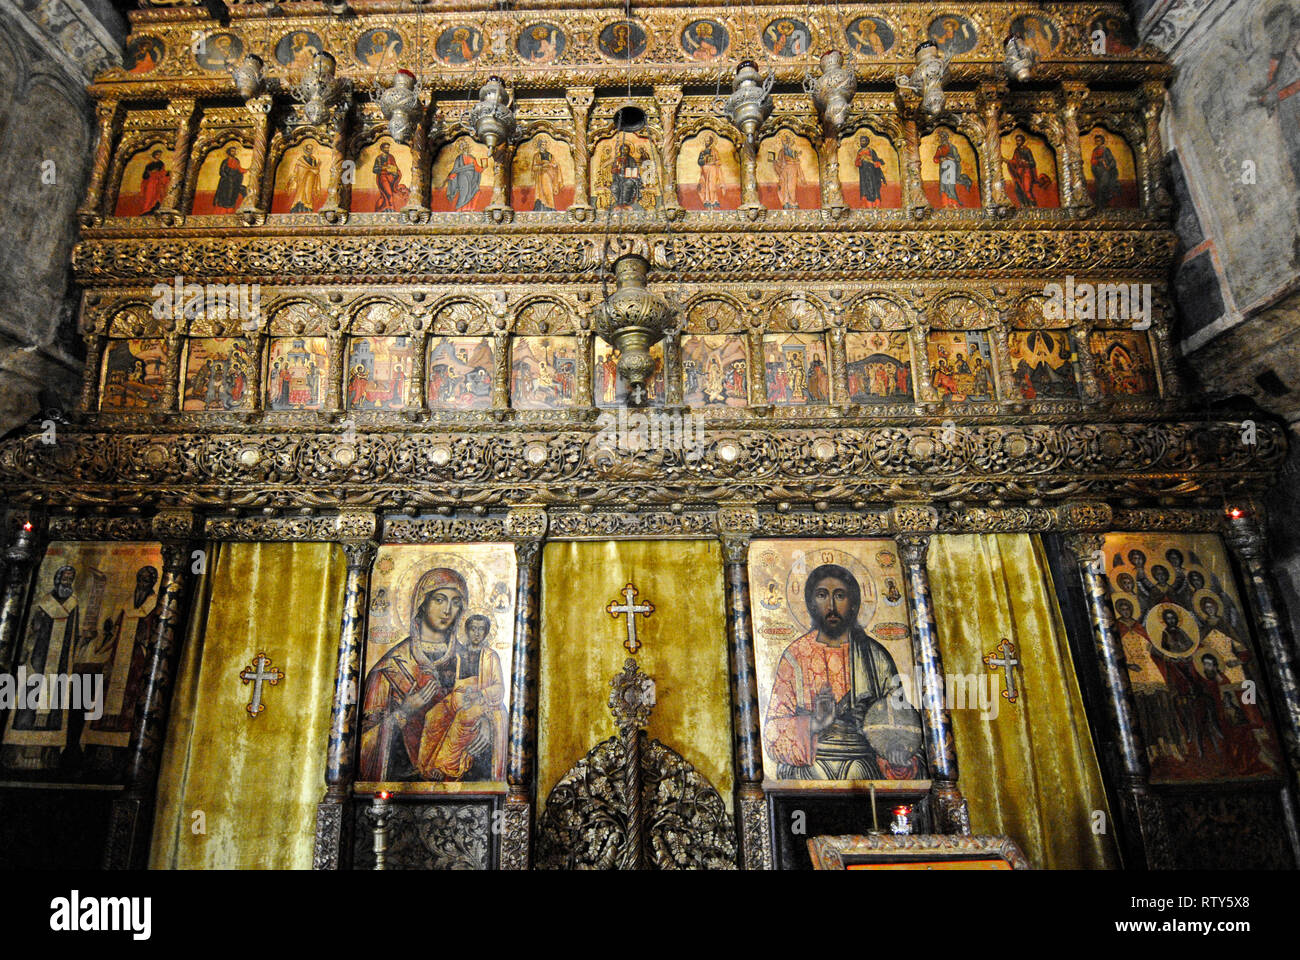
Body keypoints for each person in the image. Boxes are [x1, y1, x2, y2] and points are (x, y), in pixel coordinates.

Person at [764, 564, 924, 780]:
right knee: (814, 772)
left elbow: (901, 721)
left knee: (858, 770)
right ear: (811, 603)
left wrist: (894, 746)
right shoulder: (795, 656)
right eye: (822, 595)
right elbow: (773, 731)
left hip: (864, 761)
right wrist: (814, 723)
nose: (831, 606)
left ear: (853, 603)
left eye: (840, 596)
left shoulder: (875, 656)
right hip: (810, 765)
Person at [359, 568, 468, 781]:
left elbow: (494, 712)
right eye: (439, 599)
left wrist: (486, 725)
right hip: (402, 781)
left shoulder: (471, 661)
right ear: (422, 603)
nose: (448, 610)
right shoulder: (390, 668)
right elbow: (364, 744)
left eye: (456, 602)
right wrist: (404, 711)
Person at [418, 614, 507, 780]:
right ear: (467, 630)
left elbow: (499, 688)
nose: (477, 633)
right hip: (456, 698)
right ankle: (426, 766)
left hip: (480, 702)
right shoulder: (459, 654)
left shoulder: (490, 656)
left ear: (486, 632)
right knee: (433, 716)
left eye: (481, 629)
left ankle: (445, 766)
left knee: (463, 717)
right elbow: (449, 679)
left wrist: (480, 694)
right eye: (473, 629)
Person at [933, 129, 971, 207]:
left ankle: (954, 204)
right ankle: (945, 205)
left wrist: (950, 158)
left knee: (951, 186)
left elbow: (958, 159)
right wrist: (941, 159)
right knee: (944, 187)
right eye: (941, 138)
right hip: (943, 170)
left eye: (943, 137)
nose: (942, 139)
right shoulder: (940, 148)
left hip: (951, 168)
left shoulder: (953, 148)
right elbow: (935, 159)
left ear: (947, 138)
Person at [373, 141, 410, 212]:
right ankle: (391, 208)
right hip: (383, 178)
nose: (387, 149)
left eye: (388, 148)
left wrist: (395, 173)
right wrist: (384, 168)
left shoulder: (391, 157)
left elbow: (395, 167)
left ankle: (385, 208)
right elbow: (375, 169)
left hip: (391, 178)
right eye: (386, 148)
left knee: (389, 194)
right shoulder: (379, 158)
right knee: (388, 193)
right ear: (382, 148)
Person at [1005, 134, 1040, 207]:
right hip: (1019, 173)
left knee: (1027, 190)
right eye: (1016, 141)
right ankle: (1023, 205)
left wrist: (1025, 162)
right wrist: (1007, 160)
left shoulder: (1027, 150)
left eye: (1019, 140)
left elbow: (1033, 163)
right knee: (1018, 189)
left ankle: (1034, 206)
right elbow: (1014, 161)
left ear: (1023, 141)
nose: (1017, 142)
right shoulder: (1016, 150)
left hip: (1026, 172)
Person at [445, 146, 484, 210]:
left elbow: (477, 168)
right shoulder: (459, 158)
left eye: (466, 147)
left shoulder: (472, 157)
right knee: (464, 193)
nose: (465, 149)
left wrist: (483, 168)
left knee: (475, 191)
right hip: (462, 177)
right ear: (460, 149)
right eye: (462, 148)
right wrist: (452, 175)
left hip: (472, 178)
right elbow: (456, 169)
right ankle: (459, 209)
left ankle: (469, 208)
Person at [286, 142, 322, 213]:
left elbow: (315, 170)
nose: (309, 151)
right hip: (301, 178)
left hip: (310, 178)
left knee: (308, 192)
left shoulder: (313, 159)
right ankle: (298, 206)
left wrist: (317, 167)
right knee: (300, 192)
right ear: (305, 150)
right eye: (308, 149)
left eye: (311, 149)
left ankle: (308, 206)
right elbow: (297, 170)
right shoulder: (301, 160)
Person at [212, 145, 247, 214]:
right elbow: (221, 171)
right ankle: (223, 210)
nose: (234, 152)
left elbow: (239, 169)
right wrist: (228, 177)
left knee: (233, 195)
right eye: (232, 151)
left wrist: (246, 170)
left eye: (234, 151)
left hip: (234, 182)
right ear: (229, 152)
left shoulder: (237, 160)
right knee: (225, 196)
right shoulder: (225, 161)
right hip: (226, 182)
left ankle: (230, 209)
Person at [531, 137, 562, 211]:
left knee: (548, 191)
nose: (544, 146)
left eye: (545, 145)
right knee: (541, 192)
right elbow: (534, 167)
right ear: (539, 146)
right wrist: (542, 166)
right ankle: (541, 208)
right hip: (540, 176)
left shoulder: (550, 155)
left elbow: (555, 165)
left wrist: (554, 166)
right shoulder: (537, 156)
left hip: (549, 175)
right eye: (542, 145)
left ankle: (550, 207)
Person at [1089, 133, 1120, 207]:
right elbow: (1092, 161)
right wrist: (1096, 162)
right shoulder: (1095, 150)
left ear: (1102, 141)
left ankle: (1104, 203)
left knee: (1103, 186)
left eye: (1099, 140)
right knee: (1099, 187)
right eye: (1096, 141)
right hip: (1097, 171)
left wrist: (1108, 166)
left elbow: (1112, 161)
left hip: (1105, 171)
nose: (1097, 142)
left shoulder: (1106, 150)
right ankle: (1101, 205)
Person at [855, 136, 886, 206]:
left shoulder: (871, 151)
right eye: (861, 141)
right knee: (865, 188)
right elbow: (857, 163)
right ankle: (867, 204)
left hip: (872, 172)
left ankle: (875, 204)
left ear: (867, 142)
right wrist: (861, 160)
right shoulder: (859, 152)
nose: (861, 143)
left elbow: (876, 161)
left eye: (863, 141)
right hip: (863, 173)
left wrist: (871, 161)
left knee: (873, 187)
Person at [773, 133, 802, 209]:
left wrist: (796, 159)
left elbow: (797, 161)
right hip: (784, 171)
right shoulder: (781, 151)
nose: (784, 143)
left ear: (789, 142)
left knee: (791, 187)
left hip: (793, 170)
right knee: (784, 186)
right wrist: (775, 163)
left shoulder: (793, 152)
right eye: (783, 141)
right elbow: (779, 162)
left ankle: (792, 202)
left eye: (785, 141)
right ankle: (785, 202)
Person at [696, 134, 724, 209]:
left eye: (708, 141)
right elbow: (699, 162)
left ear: (711, 142)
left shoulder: (714, 151)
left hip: (713, 169)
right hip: (705, 170)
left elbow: (719, 161)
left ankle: (714, 200)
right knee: (705, 185)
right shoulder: (702, 151)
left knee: (713, 185)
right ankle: (707, 200)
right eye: (705, 141)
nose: (706, 142)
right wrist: (703, 159)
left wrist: (714, 162)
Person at [139, 150, 170, 215]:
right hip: (151, 182)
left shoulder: (161, 163)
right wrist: (151, 173)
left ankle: (155, 209)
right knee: (149, 196)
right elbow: (145, 175)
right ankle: (146, 210)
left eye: (159, 155)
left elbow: (163, 172)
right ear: (154, 155)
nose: (159, 156)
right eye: (157, 155)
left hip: (158, 182)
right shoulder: (149, 164)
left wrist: (166, 173)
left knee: (158, 196)